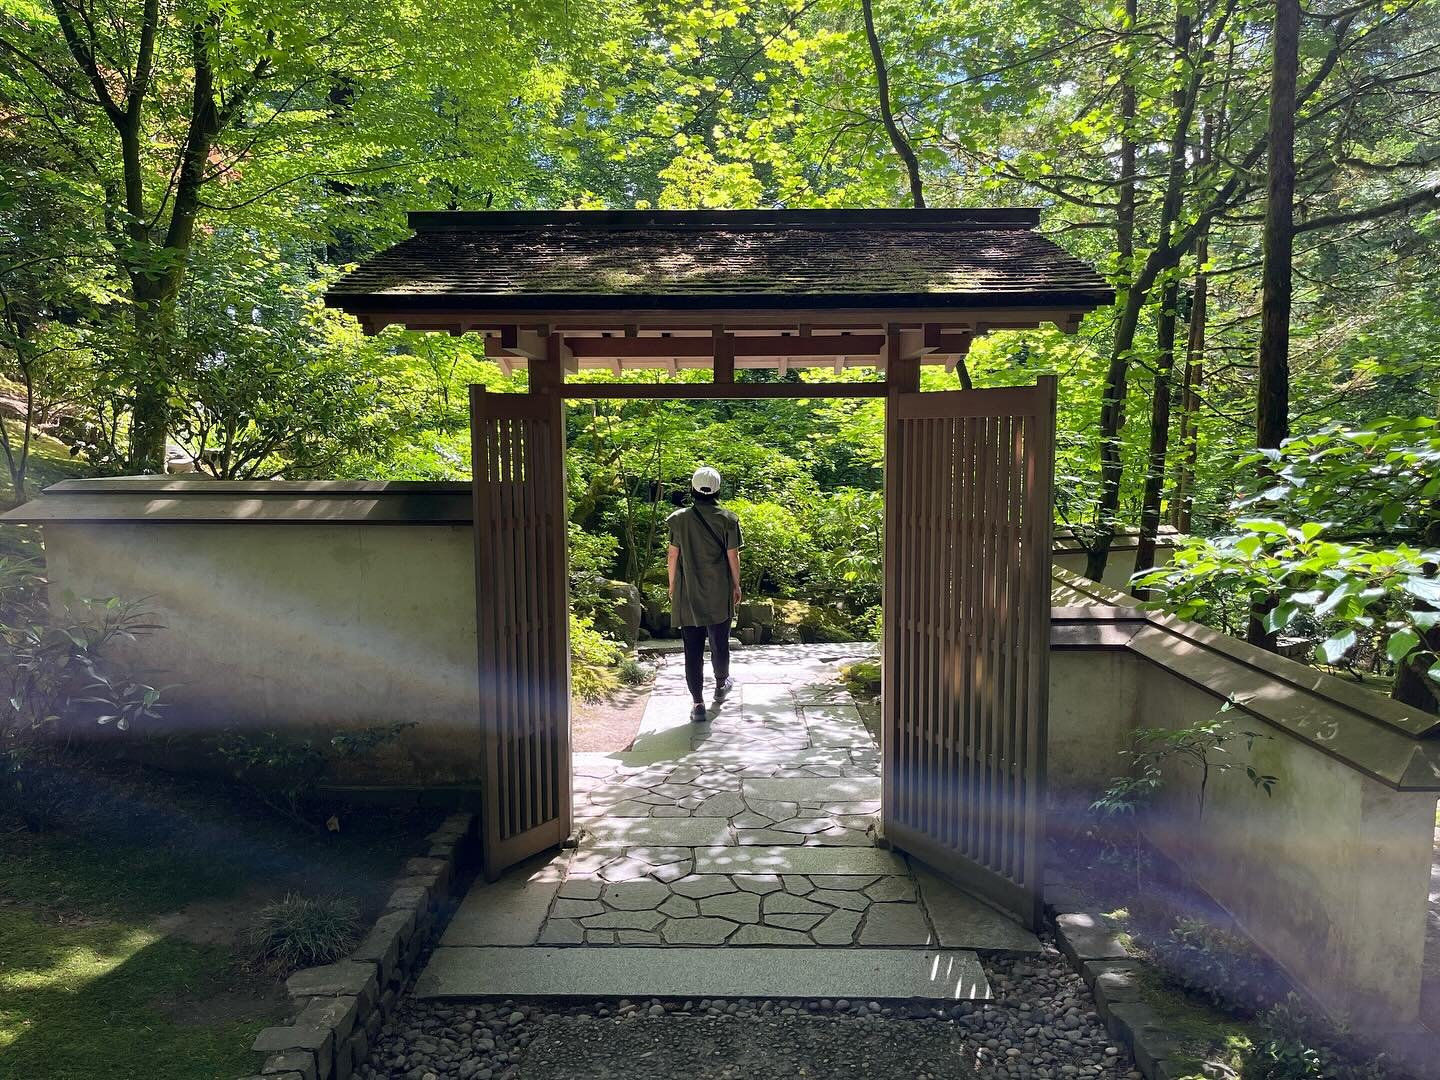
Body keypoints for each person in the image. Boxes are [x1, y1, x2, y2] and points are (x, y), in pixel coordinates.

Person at [667, 466, 743, 721]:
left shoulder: (678, 519)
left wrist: (672, 585)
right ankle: (721, 686)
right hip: (719, 590)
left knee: (692, 648)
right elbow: (733, 555)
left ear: (693, 488)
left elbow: (672, 555)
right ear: (718, 490)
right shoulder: (728, 519)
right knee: (720, 641)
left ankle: (698, 704)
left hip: (688, 592)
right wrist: (736, 584)